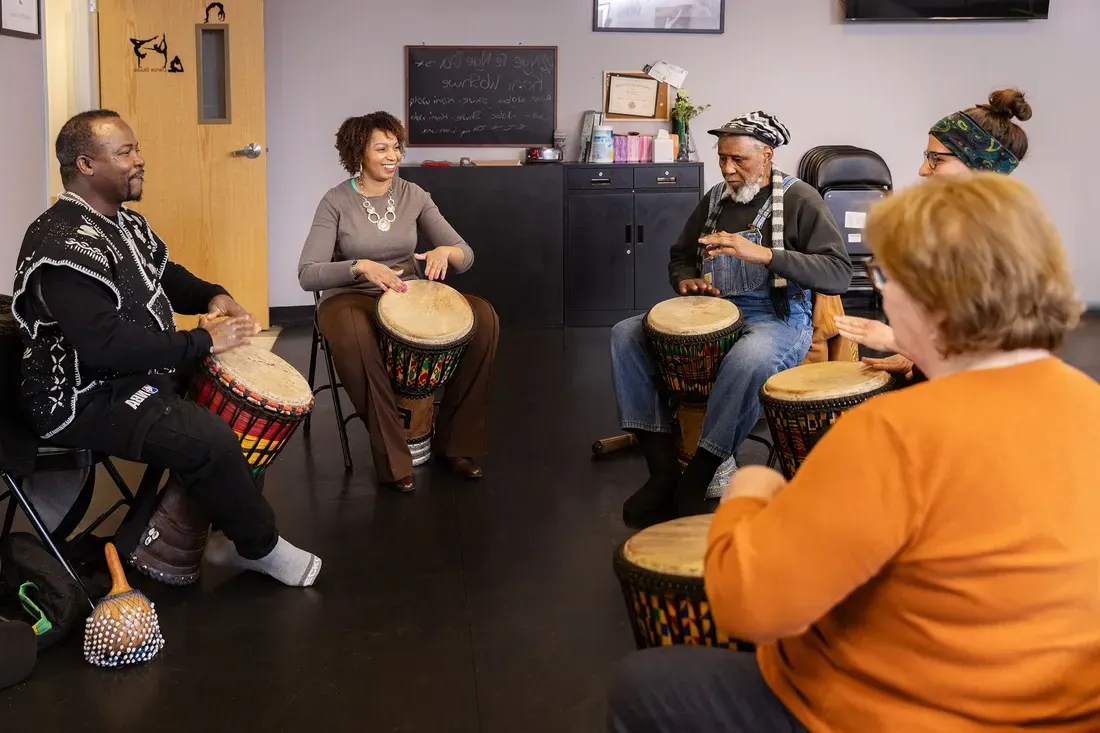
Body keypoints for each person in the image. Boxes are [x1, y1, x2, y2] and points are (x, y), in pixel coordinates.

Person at [607, 173, 1100, 733]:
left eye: (888, 277)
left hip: (904, 714)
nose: (885, 293)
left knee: (646, 684)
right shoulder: (1089, 404)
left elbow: (756, 606)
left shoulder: (897, 434)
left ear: (932, 297)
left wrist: (751, 493)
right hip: (1060, 710)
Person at [10, 110, 321, 587]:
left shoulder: (124, 223)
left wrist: (213, 296)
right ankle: (260, 546)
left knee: (238, 408)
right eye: (126, 152)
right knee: (213, 437)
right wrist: (202, 341)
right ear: (86, 164)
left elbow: (167, 275)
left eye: (136, 149)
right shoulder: (61, 243)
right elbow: (105, 348)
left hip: (133, 375)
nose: (140, 160)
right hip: (81, 397)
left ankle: (215, 518)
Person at [609, 111, 851, 528]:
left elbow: (838, 273)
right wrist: (686, 282)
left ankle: (700, 472)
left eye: (738, 159)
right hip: (716, 309)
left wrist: (765, 254)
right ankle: (662, 470)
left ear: (768, 154)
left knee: (749, 357)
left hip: (777, 317)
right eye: (723, 158)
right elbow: (681, 256)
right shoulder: (717, 197)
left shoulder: (800, 199)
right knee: (627, 333)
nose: (727, 169)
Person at [298, 111, 499, 492]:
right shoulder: (335, 202)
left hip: (407, 295)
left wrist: (445, 252)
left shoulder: (414, 195)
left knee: (484, 317)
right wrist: (359, 266)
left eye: (396, 147)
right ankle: (394, 458)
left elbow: (464, 252)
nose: (392, 156)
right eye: (381, 148)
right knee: (355, 332)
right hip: (351, 299)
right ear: (359, 152)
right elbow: (308, 272)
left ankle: (456, 445)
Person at [835, 88, 1033, 379]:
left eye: (936, 159)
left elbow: (985, 352)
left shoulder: (993, 241)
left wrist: (894, 341)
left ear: (978, 165)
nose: (923, 169)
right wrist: (911, 359)